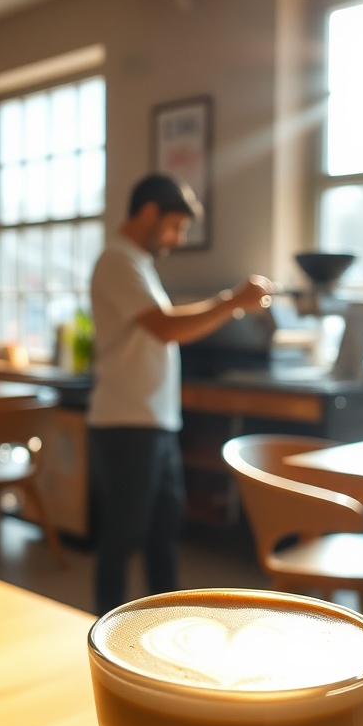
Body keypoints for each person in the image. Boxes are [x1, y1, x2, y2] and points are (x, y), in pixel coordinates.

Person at [88, 173, 274, 615]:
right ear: (149, 212)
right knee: (123, 534)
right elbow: (167, 327)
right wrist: (233, 301)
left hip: (153, 420)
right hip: (125, 422)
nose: (176, 240)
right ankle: (98, 632)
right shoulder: (117, 260)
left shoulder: (138, 263)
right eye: (175, 226)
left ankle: (163, 622)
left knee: (163, 529)